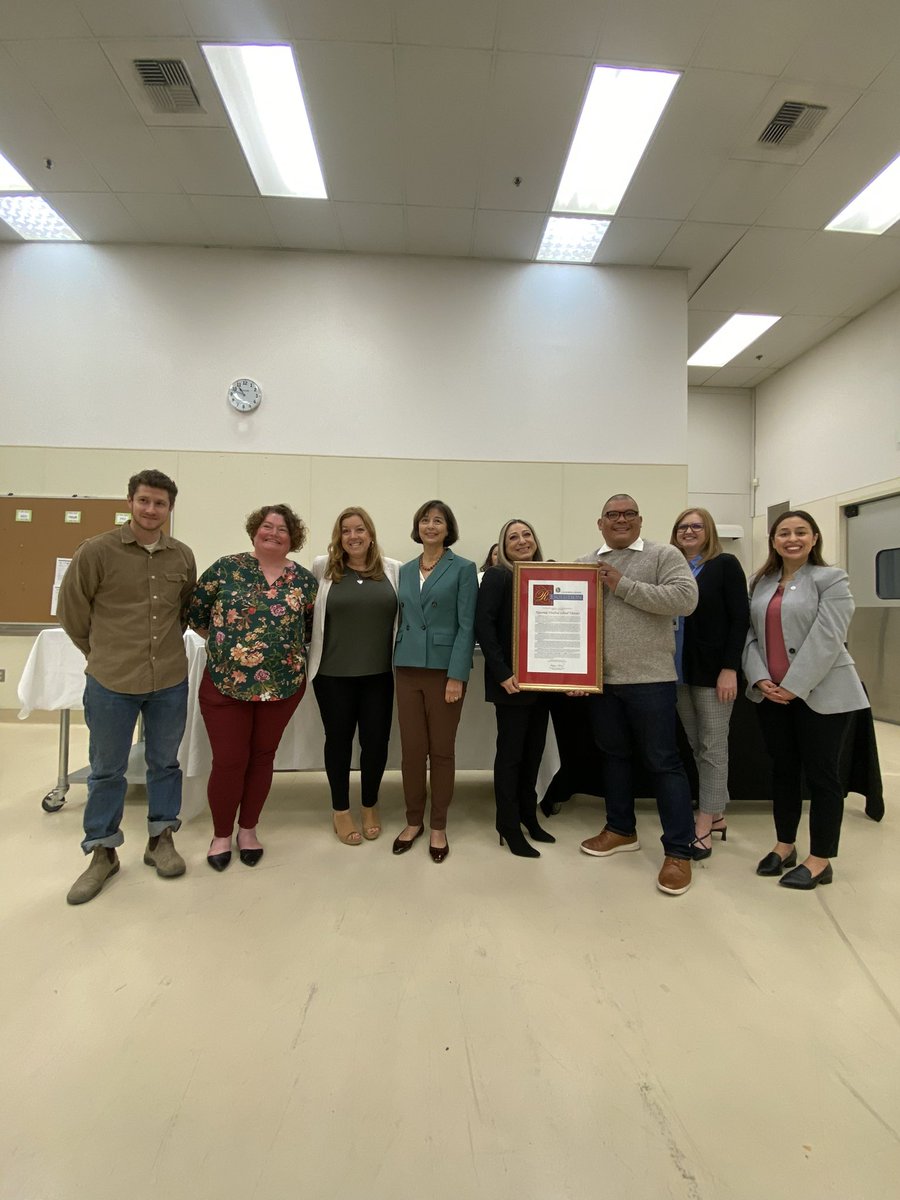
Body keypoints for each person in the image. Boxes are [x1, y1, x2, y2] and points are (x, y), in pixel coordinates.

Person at [58, 469, 197, 905]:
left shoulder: (182, 556)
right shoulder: (96, 552)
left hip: (169, 680)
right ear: (130, 502)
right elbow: (73, 614)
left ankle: (161, 840)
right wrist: (102, 653)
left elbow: (185, 611)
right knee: (106, 769)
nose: (151, 509)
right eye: (144, 501)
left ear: (169, 509)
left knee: (165, 764)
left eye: (159, 503)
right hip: (111, 681)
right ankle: (102, 851)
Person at [579, 494, 699, 895]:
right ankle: (620, 829)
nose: (620, 520)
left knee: (664, 763)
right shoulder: (582, 565)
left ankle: (679, 851)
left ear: (640, 520)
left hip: (651, 680)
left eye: (628, 514)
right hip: (601, 683)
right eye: (612, 514)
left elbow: (686, 599)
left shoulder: (664, 555)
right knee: (614, 758)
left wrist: (622, 584)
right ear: (600, 523)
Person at [743, 510, 869, 889]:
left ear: (814, 537)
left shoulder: (832, 579)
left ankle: (820, 859)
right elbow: (749, 635)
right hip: (773, 696)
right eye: (783, 532)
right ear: (773, 539)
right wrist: (760, 678)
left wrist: (796, 686)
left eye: (800, 532)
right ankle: (785, 845)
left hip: (823, 695)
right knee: (783, 772)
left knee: (823, 777)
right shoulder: (761, 582)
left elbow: (829, 637)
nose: (791, 538)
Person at [188, 505, 316, 871]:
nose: (273, 533)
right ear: (254, 531)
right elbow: (197, 616)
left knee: (262, 758)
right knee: (229, 761)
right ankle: (221, 835)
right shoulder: (226, 567)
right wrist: (234, 651)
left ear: (293, 539)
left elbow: (309, 631)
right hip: (225, 685)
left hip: (282, 686)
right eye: (267, 526)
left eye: (282, 529)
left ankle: (248, 829)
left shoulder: (305, 582)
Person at [309, 507, 401, 845]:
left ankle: (370, 804)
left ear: (370, 533)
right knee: (339, 742)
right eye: (345, 531)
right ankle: (340, 810)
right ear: (339, 537)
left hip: (379, 674)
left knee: (376, 743)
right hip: (332, 675)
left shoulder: (393, 570)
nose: (353, 536)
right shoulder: (323, 567)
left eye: (359, 529)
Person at [392, 500, 477, 863]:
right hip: (407, 667)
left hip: (445, 671)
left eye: (438, 520)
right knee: (412, 751)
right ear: (417, 527)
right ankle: (414, 821)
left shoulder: (463, 568)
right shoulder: (406, 570)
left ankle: (438, 824)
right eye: (425, 520)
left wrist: (457, 674)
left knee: (441, 750)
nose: (430, 526)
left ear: (448, 528)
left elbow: (466, 625)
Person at [670, 507, 749, 859]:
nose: (688, 531)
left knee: (714, 748)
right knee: (696, 744)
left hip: (713, 672)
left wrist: (729, 668)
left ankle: (703, 823)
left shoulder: (724, 565)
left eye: (696, 526)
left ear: (709, 530)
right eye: (683, 527)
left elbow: (739, 619)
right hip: (679, 671)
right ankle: (716, 813)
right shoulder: (672, 568)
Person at [475, 518, 554, 857]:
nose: (522, 540)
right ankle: (507, 822)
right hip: (512, 683)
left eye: (526, 534)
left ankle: (527, 815)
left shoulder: (546, 578)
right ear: (503, 546)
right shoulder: (498, 576)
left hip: (543, 683)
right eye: (513, 537)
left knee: (534, 752)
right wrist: (502, 672)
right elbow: (484, 626)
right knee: (511, 756)